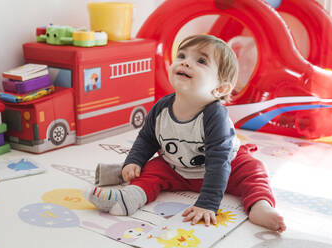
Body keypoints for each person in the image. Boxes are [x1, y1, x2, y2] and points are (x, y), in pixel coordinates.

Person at [88, 34, 286, 232]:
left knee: (255, 170)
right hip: (176, 166)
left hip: (224, 166)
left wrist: (208, 203)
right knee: (152, 170)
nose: (186, 63)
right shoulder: (161, 108)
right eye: (181, 56)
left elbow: (219, 162)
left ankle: (260, 206)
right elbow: (147, 138)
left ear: (220, 88)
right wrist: (134, 160)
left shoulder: (215, 116)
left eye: (200, 60)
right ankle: (128, 195)